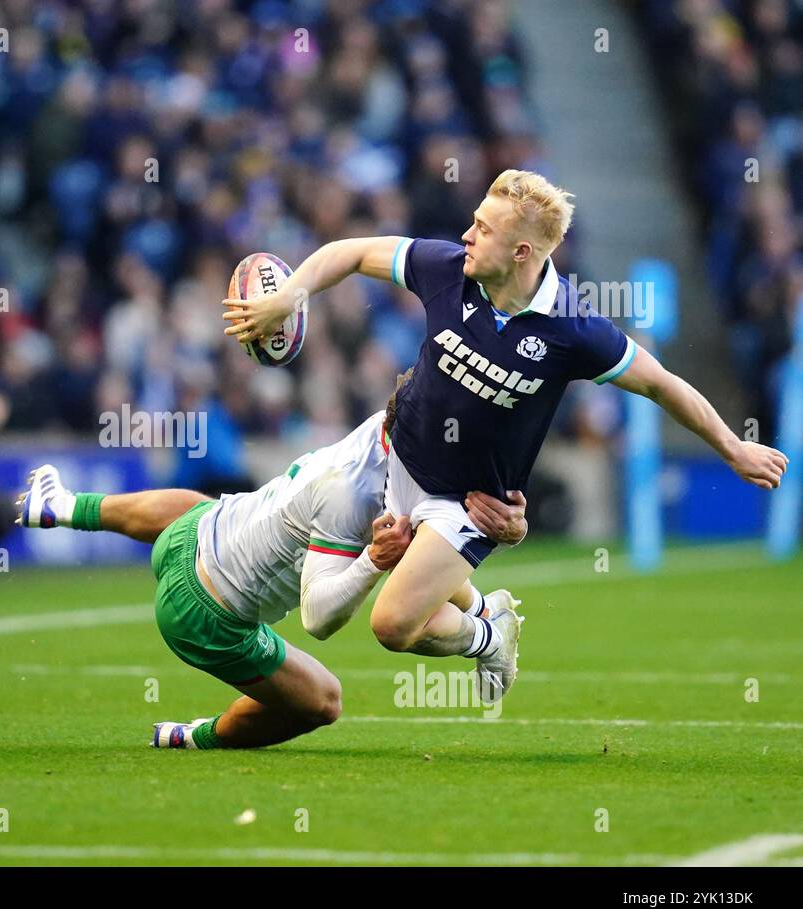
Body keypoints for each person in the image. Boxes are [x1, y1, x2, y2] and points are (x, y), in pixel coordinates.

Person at [222, 169, 789, 700]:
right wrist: (287, 296)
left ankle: (490, 638)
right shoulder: (446, 269)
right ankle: (485, 612)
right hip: (391, 455)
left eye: (482, 230)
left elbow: (663, 386)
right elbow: (351, 252)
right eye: (473, 221)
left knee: (393, 626)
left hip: (466, 506)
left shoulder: (572, 328)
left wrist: (734, 449)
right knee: (321, 615)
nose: (466, 235)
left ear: (522, 251)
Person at [17, 406, 527, 749]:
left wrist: (510, 520)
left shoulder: (392, 427)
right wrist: (371, 559)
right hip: (206, 615)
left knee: (204, 510)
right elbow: (318, 618)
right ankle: (196, 737)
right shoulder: (351, 493)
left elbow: (443, 516)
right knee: (324, 701)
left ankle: (62, 506)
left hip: (193, 534)